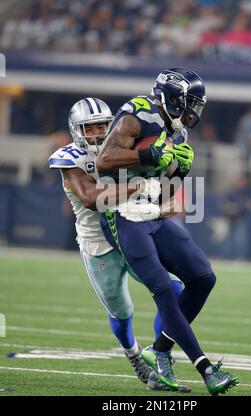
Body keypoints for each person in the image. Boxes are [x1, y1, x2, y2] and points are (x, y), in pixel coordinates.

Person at [97, 68, 239, 395]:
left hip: (152, 212)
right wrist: (144, 154)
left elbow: (165, 194)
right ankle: (205, 369)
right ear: (173, 98)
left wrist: (181, 172)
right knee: (162, 288)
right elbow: (105, 160)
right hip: (121, 212)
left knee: (203, 276)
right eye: (191, 104)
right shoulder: (138, 114)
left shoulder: (177, 132)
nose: (193, 113)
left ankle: (160, 348)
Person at [48, 97, 186, 387]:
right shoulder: (71, 157)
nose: (98, 134)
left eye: (102, 127)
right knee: (121, 312)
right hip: (98, 244)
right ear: (76, 131)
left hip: (129, 229)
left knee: (174, 289)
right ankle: (135, 356)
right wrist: (137, 185)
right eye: (90, 128)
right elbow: (90, 198)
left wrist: (176, 169)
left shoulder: (126, 148)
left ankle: (161, 353)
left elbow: (160, 191)